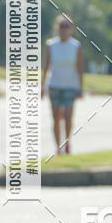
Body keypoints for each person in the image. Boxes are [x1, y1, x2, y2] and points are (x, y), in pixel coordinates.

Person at [41, 15, 83, 155]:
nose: (64, 30)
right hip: (55, 85)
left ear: (71, 29)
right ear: (57, 28)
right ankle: (58, 147)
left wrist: (80, 87)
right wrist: (42, 86)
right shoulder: (51, 45)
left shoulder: (76, 46)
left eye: (66, 26)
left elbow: (79, 68)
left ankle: (67, 142)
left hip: (70, 85)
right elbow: (46, 66)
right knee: (56, 118)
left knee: (68, 116)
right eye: (61, 26)